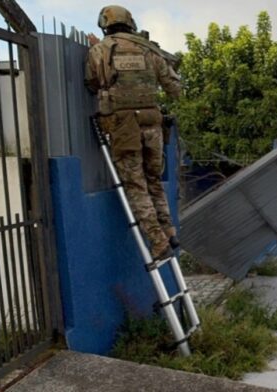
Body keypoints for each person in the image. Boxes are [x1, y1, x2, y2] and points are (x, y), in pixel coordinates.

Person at [85, 5, 181, 261]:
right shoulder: (150, 50)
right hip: (152, 123)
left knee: (136, 184)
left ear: (104, 23)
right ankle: (169, 230)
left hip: (123, 125)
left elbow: (92, 84)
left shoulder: (100, 50)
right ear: (130, 23)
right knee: (154, 180)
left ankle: (159, 242)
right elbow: (175, 89)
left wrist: (96, 50)